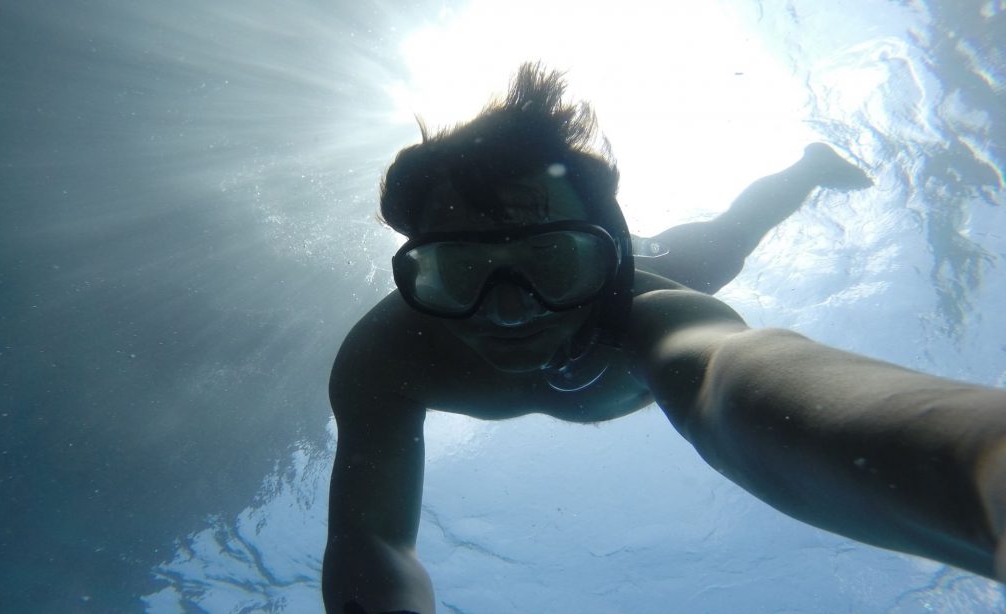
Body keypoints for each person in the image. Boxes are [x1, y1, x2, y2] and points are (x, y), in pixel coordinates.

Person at [323, 63, 1005, 614]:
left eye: (551, 263)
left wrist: (983, 468)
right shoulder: (386, 358)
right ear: (417, 269)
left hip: (673, 256)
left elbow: (729, 375)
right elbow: (373, 539)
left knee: (734, 233)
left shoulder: (657, 308)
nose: (507, 311)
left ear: (609, 253)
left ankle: (806, 166)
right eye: (458, 272)